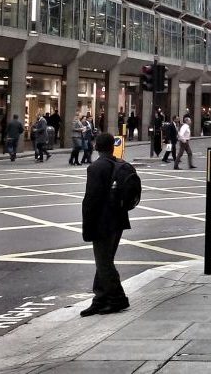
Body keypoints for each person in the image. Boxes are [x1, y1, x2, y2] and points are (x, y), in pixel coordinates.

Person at [80, 132, 131, 316]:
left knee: (104, 263)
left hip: (103, 223)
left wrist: (87, 226)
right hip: (119, 220)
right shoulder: (120, 164)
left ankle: (118, 299)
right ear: (112, 146)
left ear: (96, 146)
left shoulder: (96, 168)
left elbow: (91, 200)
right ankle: (100, 299)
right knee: (104, 261)